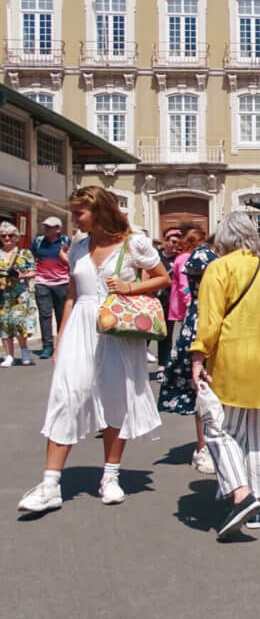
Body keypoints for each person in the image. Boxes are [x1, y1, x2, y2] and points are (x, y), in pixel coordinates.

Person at [18, 186, 170, 513]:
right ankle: (50, 484)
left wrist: (130, 286)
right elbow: (72, 294)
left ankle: (111, 476)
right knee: (66, 395)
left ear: (99, 211)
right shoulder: (77, 246)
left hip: (116, 326)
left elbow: (163, 278)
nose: (74, 219)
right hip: (80, 325)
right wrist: (60, 340)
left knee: (115, 395)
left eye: (79, 213)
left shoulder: (134, 244)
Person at [191, 212, 260, 538]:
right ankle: (256, 505)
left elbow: (209, 322)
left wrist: (198, 356)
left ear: (224, 239)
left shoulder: (219, 268)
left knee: (221, 430)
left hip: (233, 363)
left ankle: (242, 494)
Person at [158, 228, 216, 474]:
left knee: (208, 389)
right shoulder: (204, 258)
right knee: (202, 388)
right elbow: (191, 291)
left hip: (203, 320)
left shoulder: (207, 257)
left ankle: (211, 445)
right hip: (201, 322)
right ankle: (203, 447)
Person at [30, 217, 71, 360]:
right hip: (42, 283)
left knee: (62, 315)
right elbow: (32, 258)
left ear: (58, 229)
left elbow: (72, 260)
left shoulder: (66, 242)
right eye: (45, 226)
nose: (46, 229)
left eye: (50, 227)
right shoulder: (38, 242)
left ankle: (62, 344)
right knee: (45, 315)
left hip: (62, 283)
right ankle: (47, 346)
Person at [0, 221, 37, 367]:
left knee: (19, 323)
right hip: (3, 295)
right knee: (4, 324)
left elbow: (34, 271)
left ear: (15, 237)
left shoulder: (24, 253)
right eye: (3, 236)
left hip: (19, 295)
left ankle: (24, 350)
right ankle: (8, 355)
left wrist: (20, 275)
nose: (7, 238)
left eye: (10, 235)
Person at [155, 227, 182, 370]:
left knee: (166, 333)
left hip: (169, 300)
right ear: (165, 241)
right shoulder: (155, 256)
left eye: (178, 242)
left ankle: (162, 365)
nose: (175, 245)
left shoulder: (179, 258)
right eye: (172, 241)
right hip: (153, 299)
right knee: (147, 332)